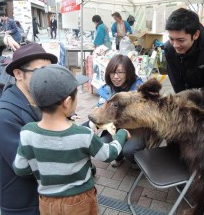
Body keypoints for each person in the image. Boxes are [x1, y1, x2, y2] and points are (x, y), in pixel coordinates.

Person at [13, 64, 130, 215]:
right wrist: (121, 135)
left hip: (47, 202)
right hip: (80, 201)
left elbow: (20, 169)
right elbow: (108, 154)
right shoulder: (83, 134)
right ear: (67, 102)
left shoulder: (27, 133)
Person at [0, 43, 57, 215]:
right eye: (40, 72)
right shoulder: (2, 115)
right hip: (24, 205)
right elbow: (27, 167)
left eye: (49, 71)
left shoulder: (41, 100)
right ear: (18, 74)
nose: (47, 78)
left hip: (44, 197)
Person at [164, 8, 204, 98]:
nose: (175, 45)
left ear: (196, 35)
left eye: (181, 40)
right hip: (184, 93)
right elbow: (177, 83)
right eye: (171, 39)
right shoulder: (169, 48)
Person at [96, 54, 145, 167]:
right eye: (112, 72)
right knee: (103, 144)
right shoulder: (108, 88)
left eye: (120, 72)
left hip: (136, 129)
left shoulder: (138, 89)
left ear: (128, 72)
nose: (115, 77)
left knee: (129, 150)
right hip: (115, 127)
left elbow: (138, 117)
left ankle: (135, 160)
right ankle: (119, 156)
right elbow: (100, 107)